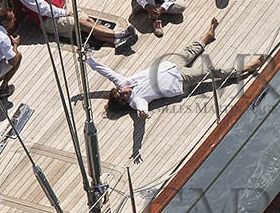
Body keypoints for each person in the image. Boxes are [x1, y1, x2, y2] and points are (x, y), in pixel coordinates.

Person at [84, 19, 265, 135]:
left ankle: (208, 36)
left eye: (120, 92)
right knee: (212, 72)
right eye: (123, 97)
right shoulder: (136, 100)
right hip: (179, 79)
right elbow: (142, 109)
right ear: (125, 102)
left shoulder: (123, 82)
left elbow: (105, 71)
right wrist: (143, 115)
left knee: (189, 51)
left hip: (168, 65)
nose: (124, 93)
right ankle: (247, 68)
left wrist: (89, 61)